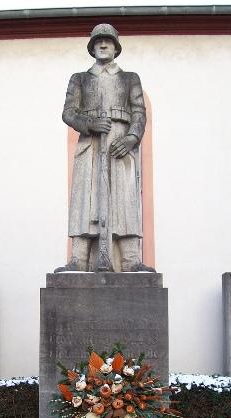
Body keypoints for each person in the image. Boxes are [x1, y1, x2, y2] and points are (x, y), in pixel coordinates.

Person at [55, 23, 155, 273]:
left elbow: (139, 113)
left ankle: (131, 260)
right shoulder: (79, 79)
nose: (103, 45)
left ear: (115, 47)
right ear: (92, 47)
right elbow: (68, 113)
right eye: (98, 41)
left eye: (108, 41)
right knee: (84, 200)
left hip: (120, 144)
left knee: (124, 199)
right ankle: (79, 258)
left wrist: (132, 138)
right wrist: (88, 123)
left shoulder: (129, 78)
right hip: (90, 144)